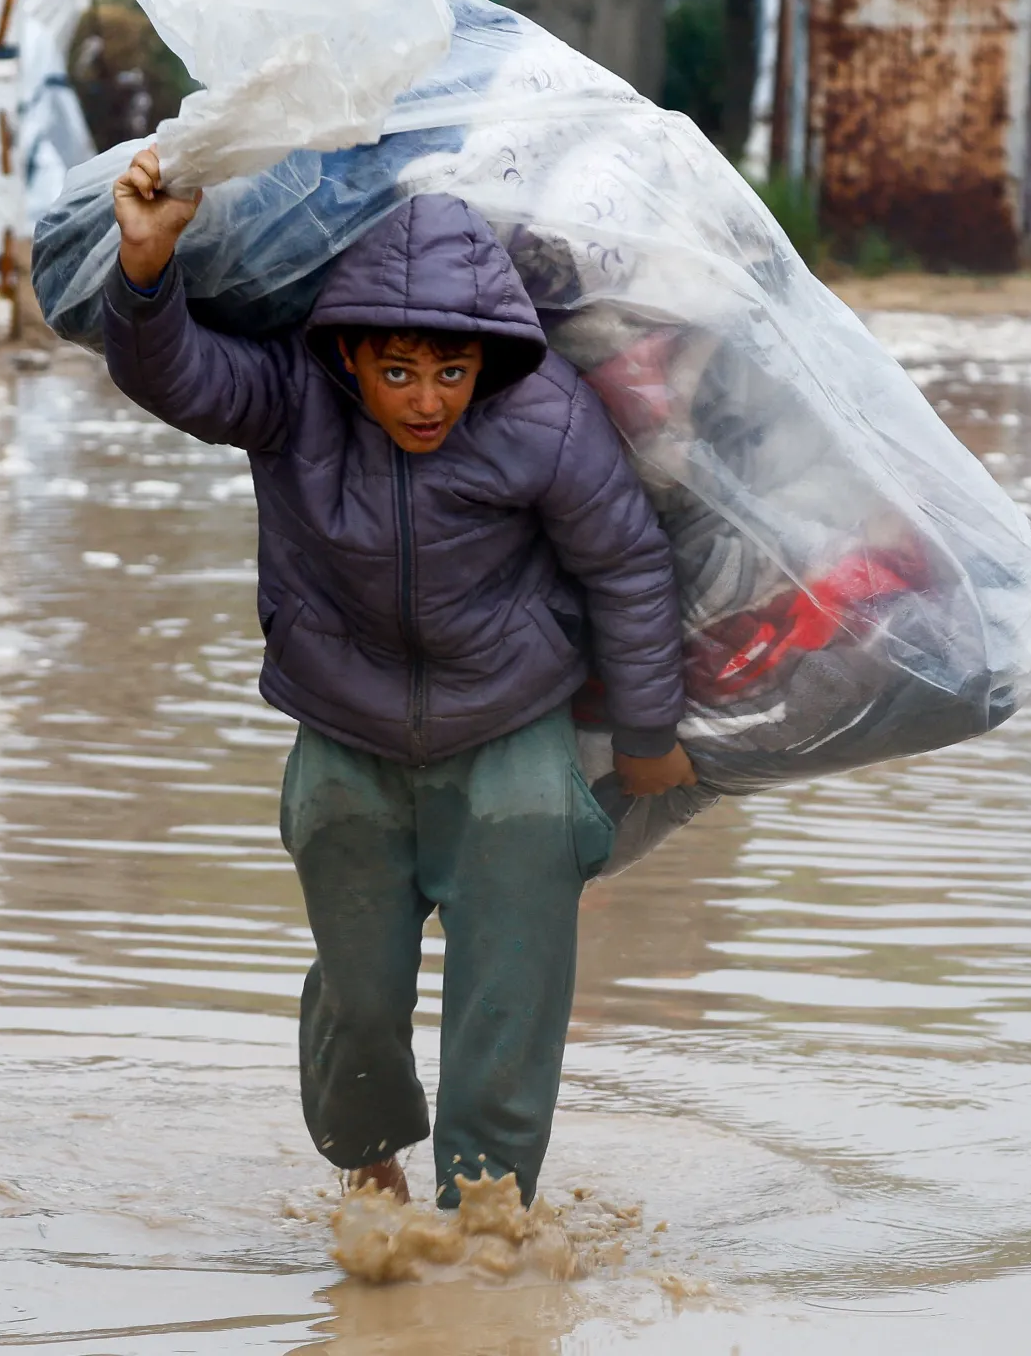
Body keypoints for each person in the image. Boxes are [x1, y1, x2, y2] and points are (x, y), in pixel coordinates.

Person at [105, 148, 693, 1208]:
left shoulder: (546, 416)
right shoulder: (291, 399)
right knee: (359, 998)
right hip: (344, 735)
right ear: (348, 359)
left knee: (509, 998)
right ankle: (367, 1171)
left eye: (452, 373)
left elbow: (628, 564)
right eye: (399, 372)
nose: (427, 401)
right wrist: (147, 271)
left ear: (491, 360)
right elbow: (175, 374)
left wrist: (648, 734)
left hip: (510, 736)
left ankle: (485, 1224)